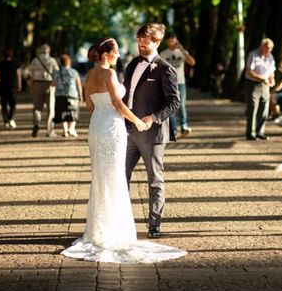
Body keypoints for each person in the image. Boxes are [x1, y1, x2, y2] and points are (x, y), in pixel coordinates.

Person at [61, 37, 186, 263]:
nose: (119, 54)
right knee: (115, 177)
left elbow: (89, 106)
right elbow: (119, 105)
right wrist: (138, 121)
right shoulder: (109, 74)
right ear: (106, 54)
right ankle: (114, 231)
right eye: (116, 51)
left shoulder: (90, 75)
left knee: (101, 178)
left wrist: (103, 108)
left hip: (97, 127)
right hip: (112, 128)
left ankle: (98, 229)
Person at [124, 23, 181, 239]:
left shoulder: (165, 68)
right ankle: (121, 221)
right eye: (139, 40)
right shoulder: (132, 65)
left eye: (145, 41)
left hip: (152, 134)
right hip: (128, 131)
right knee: (120, 176)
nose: (140, 44)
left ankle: (154, 224)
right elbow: (126, 96)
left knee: (155, 180)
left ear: (156, 42)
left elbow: (174, 102)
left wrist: (154, 117)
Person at [160, 33, 196, 138]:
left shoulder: (182, 52)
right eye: (170, 41)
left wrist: (183, 50)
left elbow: (192, 62)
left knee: (182, 105)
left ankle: (184, 127)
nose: (172, 43)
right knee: (171, 106)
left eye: (174, 40)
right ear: (167, 42)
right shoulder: (163, 54)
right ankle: (174, 129)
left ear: (177, 41)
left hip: (181, 82)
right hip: (169, 84)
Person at [244, 38, 276, 140]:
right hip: (254, 84)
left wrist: (272, 79)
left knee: (264, 109)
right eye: (267, 48)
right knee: (253, 108)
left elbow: (271, 71)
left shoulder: (270, 57)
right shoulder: (253, 55)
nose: (269, 50)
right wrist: (261, 78)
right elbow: (248, 71)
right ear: (262, 46)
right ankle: (251, 132)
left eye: (270, 49)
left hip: (266, 86)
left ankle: (260, 131)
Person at [28, 44, 59, 137]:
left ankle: (36, 124)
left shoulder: (35, 60)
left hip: (37, 84)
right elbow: (56, 74)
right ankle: (49, 130)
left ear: (41, 51)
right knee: (50, 109)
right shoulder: (52, 60)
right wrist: (53, 84)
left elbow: (31, 76)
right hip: (49, 84)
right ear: (48, 51)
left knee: (37, 107)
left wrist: (31, 87)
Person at [52, 54, 83, 137]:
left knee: (63, 113)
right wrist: (81, 95)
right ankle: (71, 129)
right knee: (74, 112)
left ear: (60, 63)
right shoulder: (74, 72)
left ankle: (65, 131)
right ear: (69, 62)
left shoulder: (57, 73)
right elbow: (79, 85)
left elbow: (53, 84)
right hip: (72, 95)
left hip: (60, 95)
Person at [0, 48, 22, 128]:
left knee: (4, 104)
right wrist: (19, 85)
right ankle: (11, 118)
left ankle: (6, 120)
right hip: (12, 87)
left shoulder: (0, 64)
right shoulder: (15, 64)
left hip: (3, 87)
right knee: (12, 104)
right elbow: (19, 75)